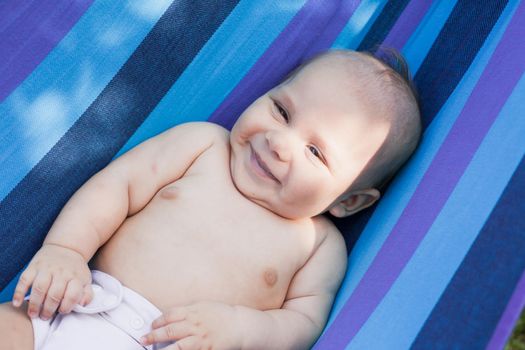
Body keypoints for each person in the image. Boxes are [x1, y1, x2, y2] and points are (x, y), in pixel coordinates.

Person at [0, 48, 421, 350]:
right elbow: (116, 187)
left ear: (349, 202)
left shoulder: (318, 245)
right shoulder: (202, 144)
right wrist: (66, 250)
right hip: (74, 304)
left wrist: (239, 328)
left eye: (315, 152)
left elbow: (302, 323)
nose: (279, 142)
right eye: (281, 111)